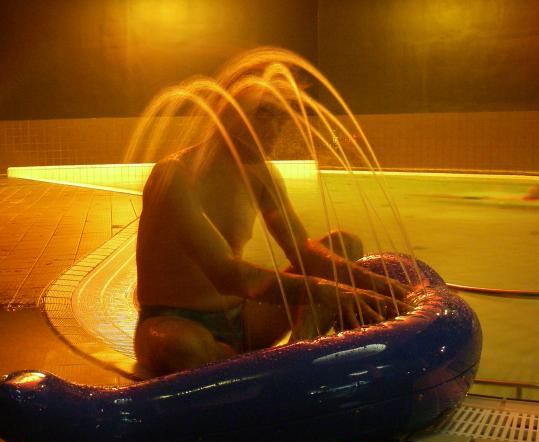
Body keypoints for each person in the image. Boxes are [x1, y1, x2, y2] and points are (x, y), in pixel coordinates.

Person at [134, 79, 411, 376]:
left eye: (281, 118)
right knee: (183, 346)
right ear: (228, 118)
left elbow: (303, 250)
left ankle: (298, 354)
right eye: (265, 114)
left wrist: (371, 282)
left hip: (243, 318)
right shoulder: (174, 175)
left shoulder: (262, 176)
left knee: (345, 245)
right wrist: (325, 291)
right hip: (174, 320)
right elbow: (225, 274)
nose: (277, 128)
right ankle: (242, 366)